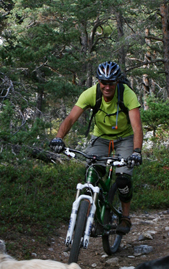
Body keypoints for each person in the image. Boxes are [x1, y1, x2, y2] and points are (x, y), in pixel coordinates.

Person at [49, 61, 143, 234]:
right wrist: (58, 138)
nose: (107, 87)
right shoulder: (90, 94)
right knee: (92, 172)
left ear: (117, 82)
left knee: (123, 179)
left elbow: (137, 127)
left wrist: (136, 152)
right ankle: (92, 216)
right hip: (100, 138)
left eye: (111, 82)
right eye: (104, 82)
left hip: (125, 138)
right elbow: (71, 118)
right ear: (98, 81)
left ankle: (125, 217)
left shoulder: (128, 94)